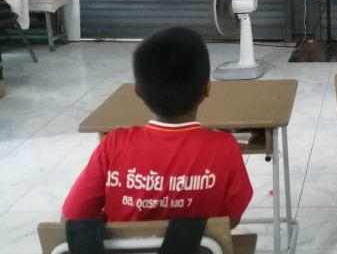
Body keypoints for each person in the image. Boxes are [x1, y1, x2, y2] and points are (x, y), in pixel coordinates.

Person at [62, 27, 253, 226]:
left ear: (138, 91)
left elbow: (71, 219)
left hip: (123, 248)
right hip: (199, 247)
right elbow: (231, 220)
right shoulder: (224, 147)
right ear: (207, 88)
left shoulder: (113, 145)